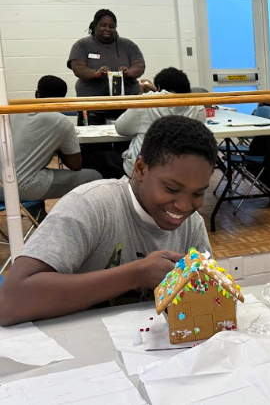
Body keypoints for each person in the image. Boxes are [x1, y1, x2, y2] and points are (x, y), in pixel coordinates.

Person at [0, 115, 217, 326]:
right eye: (171, 189)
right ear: (140, 169)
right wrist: (137, 274)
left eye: (198, 194)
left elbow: (205, 299)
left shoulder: (192, 225)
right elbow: (9, 303)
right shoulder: (91, 205)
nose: (184, 206)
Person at [0, 75, 101, 203]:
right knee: (93, 176)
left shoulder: (13, 110)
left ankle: (39, 215)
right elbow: (75, 165)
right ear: (63, 100)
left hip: (1, 185)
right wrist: (59, 146)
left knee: (37, 172)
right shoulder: (60, 122)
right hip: (18, 188)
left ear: (37, 94)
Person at [116, 67, 206, 177]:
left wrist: (145, 94)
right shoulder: (198, 107)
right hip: (182, 170)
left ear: (158, 87)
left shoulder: (146, 102)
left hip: (144, 172)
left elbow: (121, 128)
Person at [67, 8, 145, 125]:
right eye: (103, 25)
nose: (107, 29)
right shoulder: (82, 45)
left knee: (125, 142)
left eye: (111, 26)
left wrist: (129, 72)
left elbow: (139, 65)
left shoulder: (128, 45)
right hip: (94, 109)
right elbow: (78, 68)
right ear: (94, 26)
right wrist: (96, 73)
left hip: (126, 108)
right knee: (95, 143)